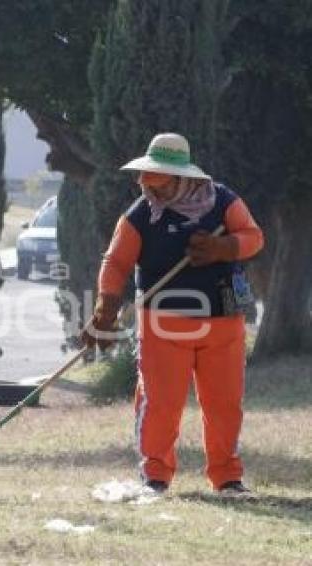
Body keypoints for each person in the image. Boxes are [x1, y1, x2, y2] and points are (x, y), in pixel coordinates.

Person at [81, 133, 264, 496]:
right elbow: (116, 263)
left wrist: (222, 247)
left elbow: (254, 237)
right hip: (163, 324)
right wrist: (105, 310)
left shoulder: (223, 201)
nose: (148, 186)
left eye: (158, 178)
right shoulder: (140, 215)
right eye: (146, 177)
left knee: (224, 403)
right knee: (161, 402)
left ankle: (227, 477)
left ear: (183, 177)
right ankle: (155, 476)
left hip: (223, 322)